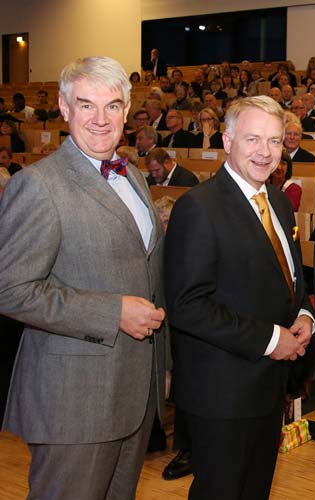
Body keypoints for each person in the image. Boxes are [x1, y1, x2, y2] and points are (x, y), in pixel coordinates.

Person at [0, 55, 169, 499]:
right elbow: (11, 290)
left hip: (133, 394)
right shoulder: (38, 185)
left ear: (128, 110)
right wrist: (112, 312)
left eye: (112, 106)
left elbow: (148, 275)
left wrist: (162, 366)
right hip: (73, 401)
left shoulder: (134, 176)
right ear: (63, 106)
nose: (100, 119)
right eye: (86, 104)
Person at [165, 96, 315, 500]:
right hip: (223, 393)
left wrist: (303, 313)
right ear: (227, 140)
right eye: (253, 139)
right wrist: (272, 339)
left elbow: (290, 279)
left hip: (268, 387)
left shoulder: (278, 202)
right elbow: (187, 306)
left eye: (274, 141)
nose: (265, 152)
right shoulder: (199, 206)